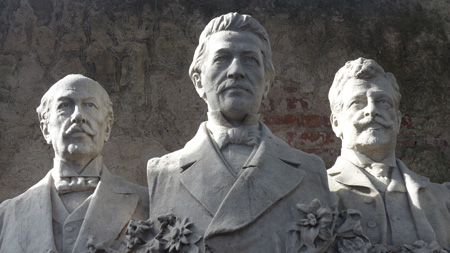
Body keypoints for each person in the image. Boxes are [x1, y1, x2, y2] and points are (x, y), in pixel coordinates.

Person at [147, 12, 337, 253]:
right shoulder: (163, 172)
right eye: (222, 59)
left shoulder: (310, 169)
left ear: (267, 82)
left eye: (250, 59)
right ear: (198, 81)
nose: (236, 70)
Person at [0, 74, 148, 253]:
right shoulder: (6, 216)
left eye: (90, 105)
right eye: (64, 106)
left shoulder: (147, 204)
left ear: (107, 127)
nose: (78, 116)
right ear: (45, 127)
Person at [327, 57, 450, 250]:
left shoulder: (442, 198)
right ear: (336, 123)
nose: (372, 110)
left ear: (399, 121)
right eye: (357, 103)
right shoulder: (316, 191)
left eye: (382, 102)